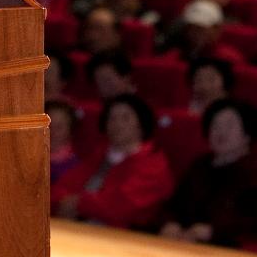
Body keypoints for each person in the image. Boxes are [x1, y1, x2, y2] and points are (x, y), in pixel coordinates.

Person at [159, 98, 257, 246]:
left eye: (229, 126)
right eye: (215, 125)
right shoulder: (200, 165)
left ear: (248, 133)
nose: (220, 131)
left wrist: (213, 230)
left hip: (227, 247)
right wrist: (170, 223)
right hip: (182, 241)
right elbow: (174, 204)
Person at [51, 93, 174, 229]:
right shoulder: (100, 155)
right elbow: (63, 187)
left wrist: (78, 203)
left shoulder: (153, 163)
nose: (117, 124)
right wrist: (63, 201)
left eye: (125, 118)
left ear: (141, 123)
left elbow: (122, 206)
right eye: (112, 118)